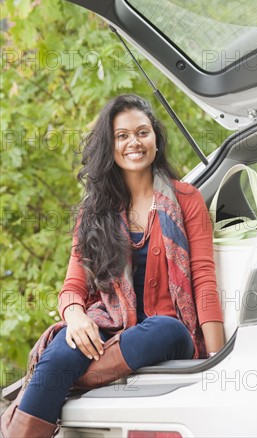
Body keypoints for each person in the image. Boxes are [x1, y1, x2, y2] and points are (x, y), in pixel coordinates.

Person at [1, 94, 224, 438]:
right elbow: (73, 286)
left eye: (142, 132)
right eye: (122, 136)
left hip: (166, 334)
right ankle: (50, 381)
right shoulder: (94, 210)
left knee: (165, 327)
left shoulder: (186, 199)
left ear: (156, 139)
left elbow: (204, 282)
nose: (134, 142)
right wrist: (75, 317)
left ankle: (54, 377)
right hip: (105, 326)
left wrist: (216, 360)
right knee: (67, 345)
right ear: (111, 145)